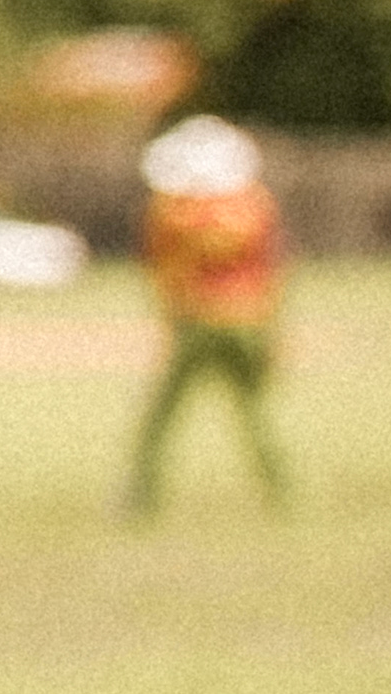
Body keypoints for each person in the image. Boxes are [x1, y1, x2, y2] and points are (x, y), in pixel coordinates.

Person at [123, 112, 292, 517]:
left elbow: (162, 268)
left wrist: (172, 317)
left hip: (197, 320)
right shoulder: (254, 206)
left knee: (162, 415)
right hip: (249, 319)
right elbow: (272, 268)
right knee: (253, 411)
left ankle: (143, 498)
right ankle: (283, 491)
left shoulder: (172, 211)